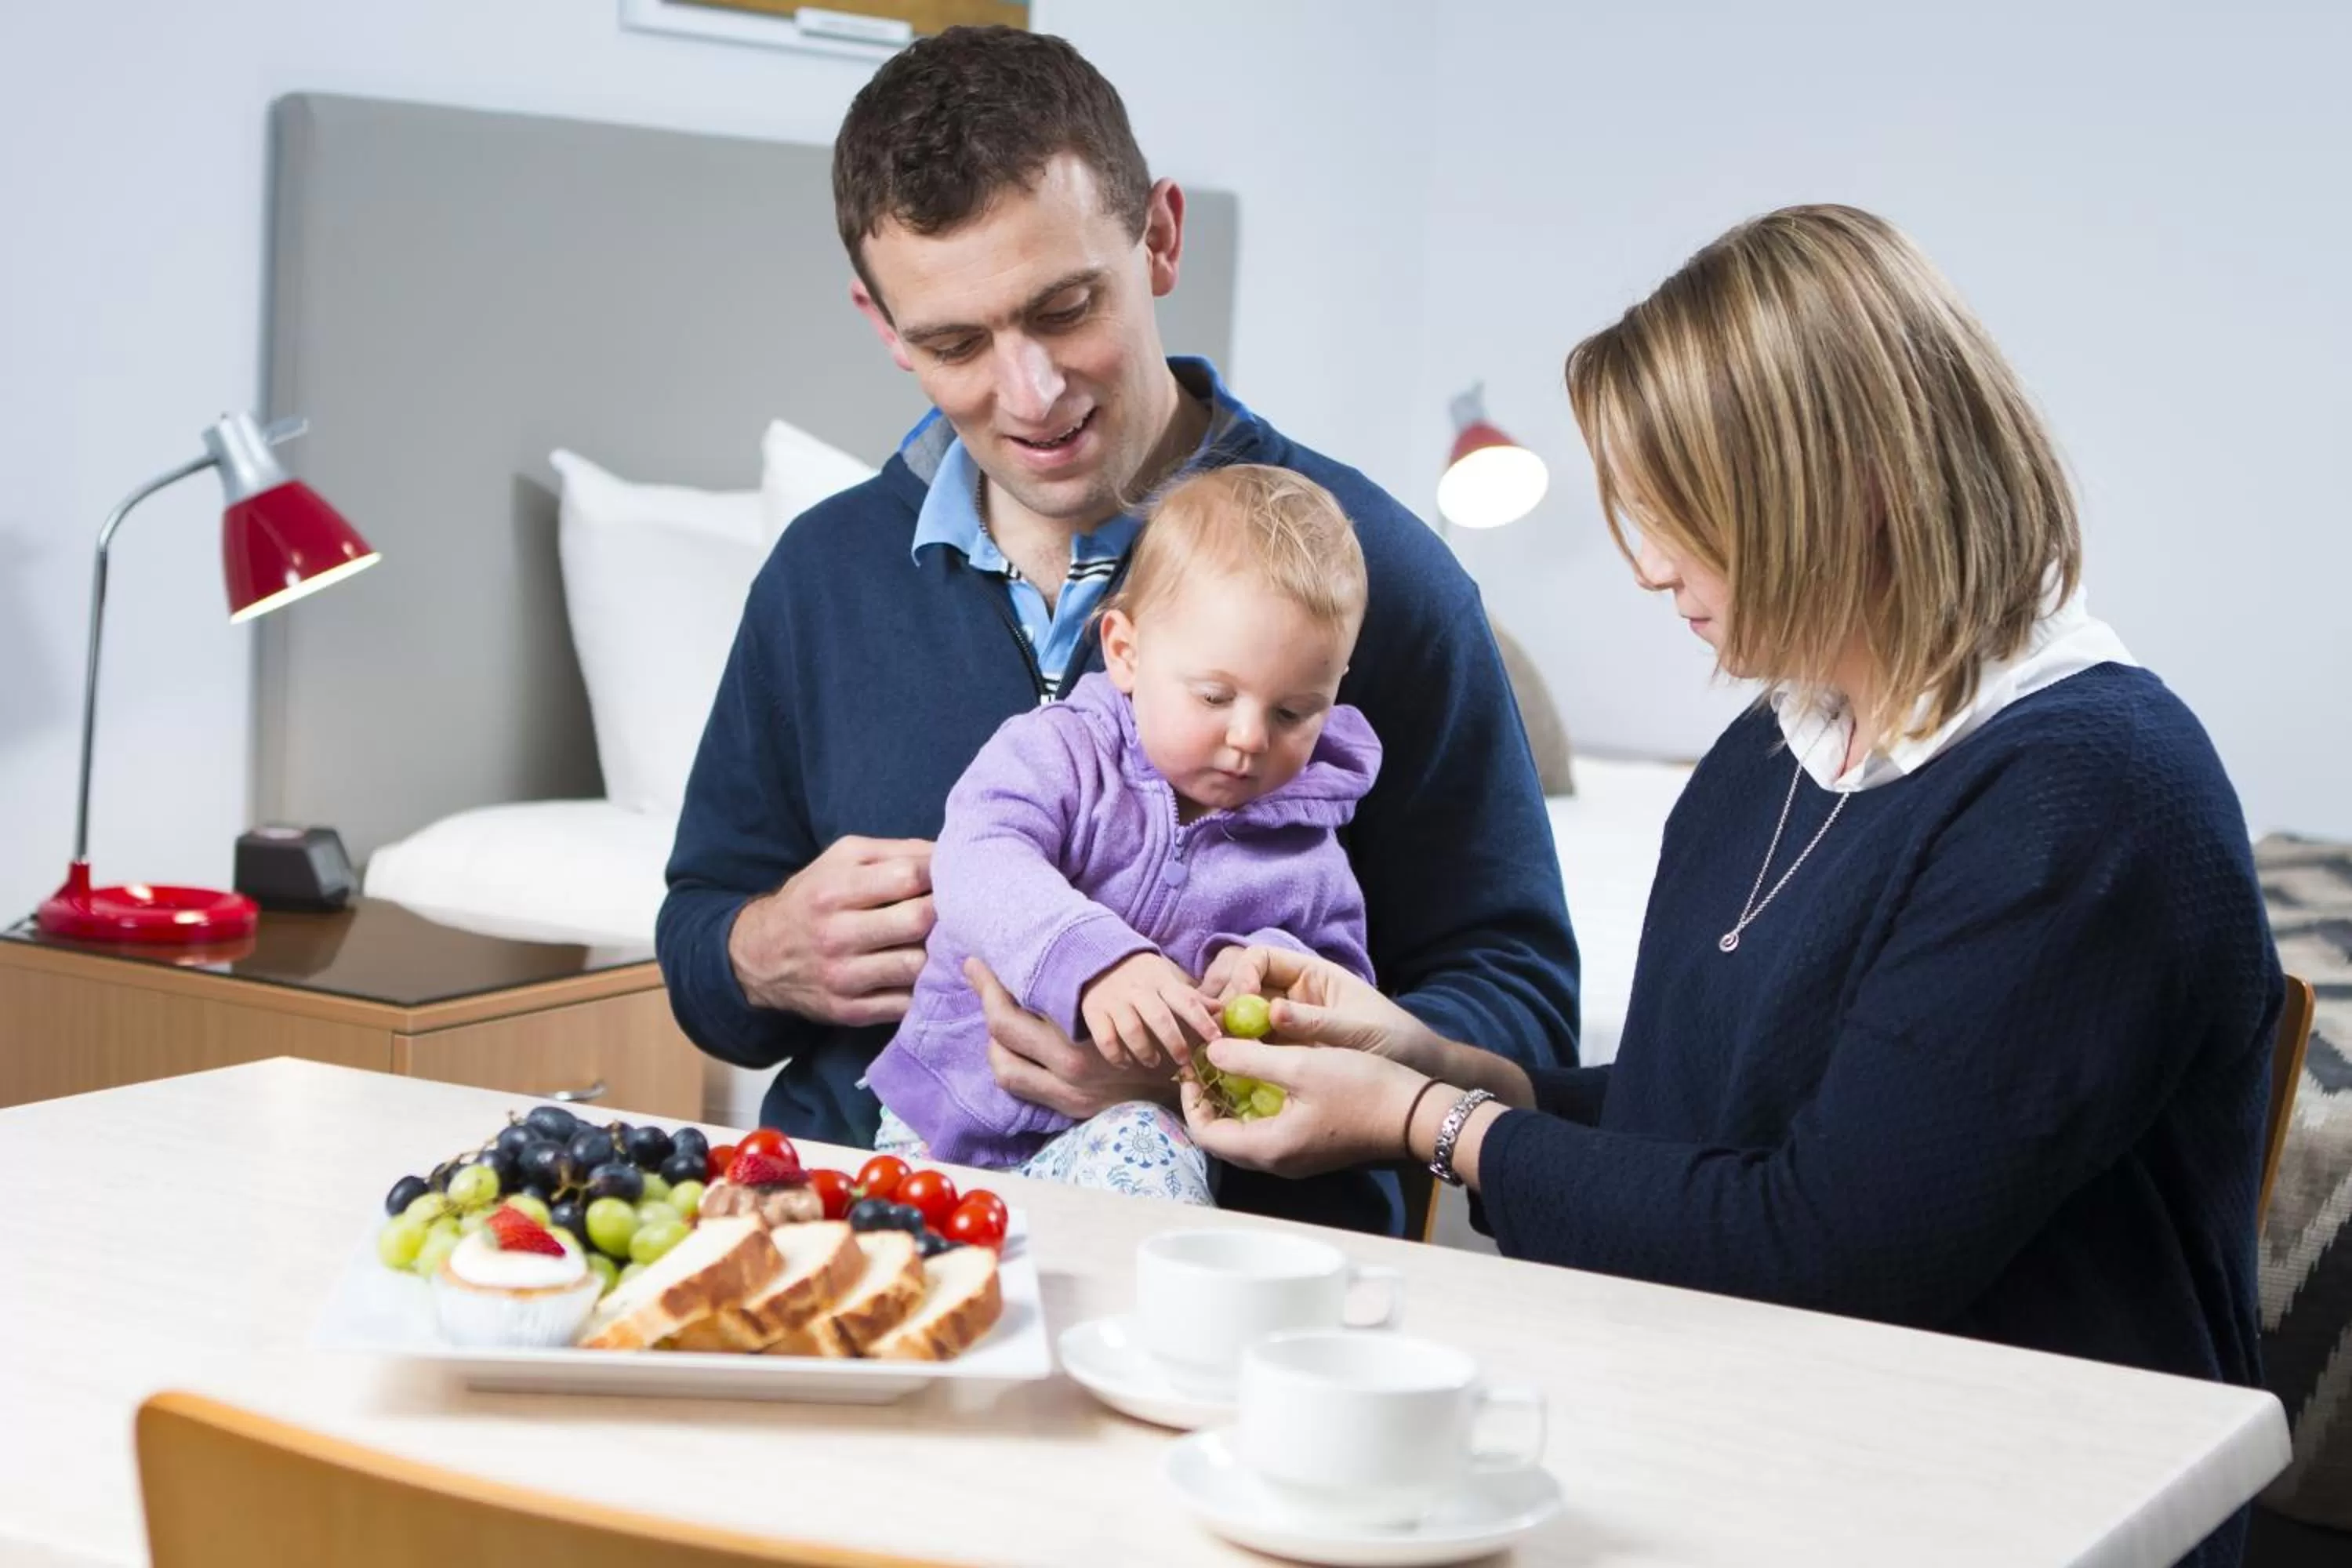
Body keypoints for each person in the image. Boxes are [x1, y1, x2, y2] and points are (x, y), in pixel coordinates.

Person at [1182, 205, 2279, 1562]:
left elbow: (1821, 1254)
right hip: (1761, 1449)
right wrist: (1430, 1052)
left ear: (1854, 481)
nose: (1647, 567)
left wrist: (1429, 1121)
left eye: (1680, 515)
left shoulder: (2086, 802)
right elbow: (1701, 1124)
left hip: (2013, 1512)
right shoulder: (1771, 755)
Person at [654, 27, 1578, 1235]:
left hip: (1235, 1274)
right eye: (954, 343)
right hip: (864, 1235)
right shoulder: (822, 576)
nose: (1030, 393)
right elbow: (697, 937)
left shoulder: (1381, 581)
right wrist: (755, 954)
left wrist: (1227, 1071)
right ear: (883, 326)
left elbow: (1522, 1012)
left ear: (1160, 240)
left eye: (1065, 307)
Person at [863, 464, 1378, 1200]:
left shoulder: (1310, 849)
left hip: (1123, 1140)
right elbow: (977, 857)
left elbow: (1344, 989)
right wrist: (1095, 959)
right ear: (1126, 652)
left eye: (1293, 713)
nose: (1249, 738)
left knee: (1148, 1158)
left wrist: (1269, 975)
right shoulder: (1061, 750)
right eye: (1215, 695)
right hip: (945, 1118)